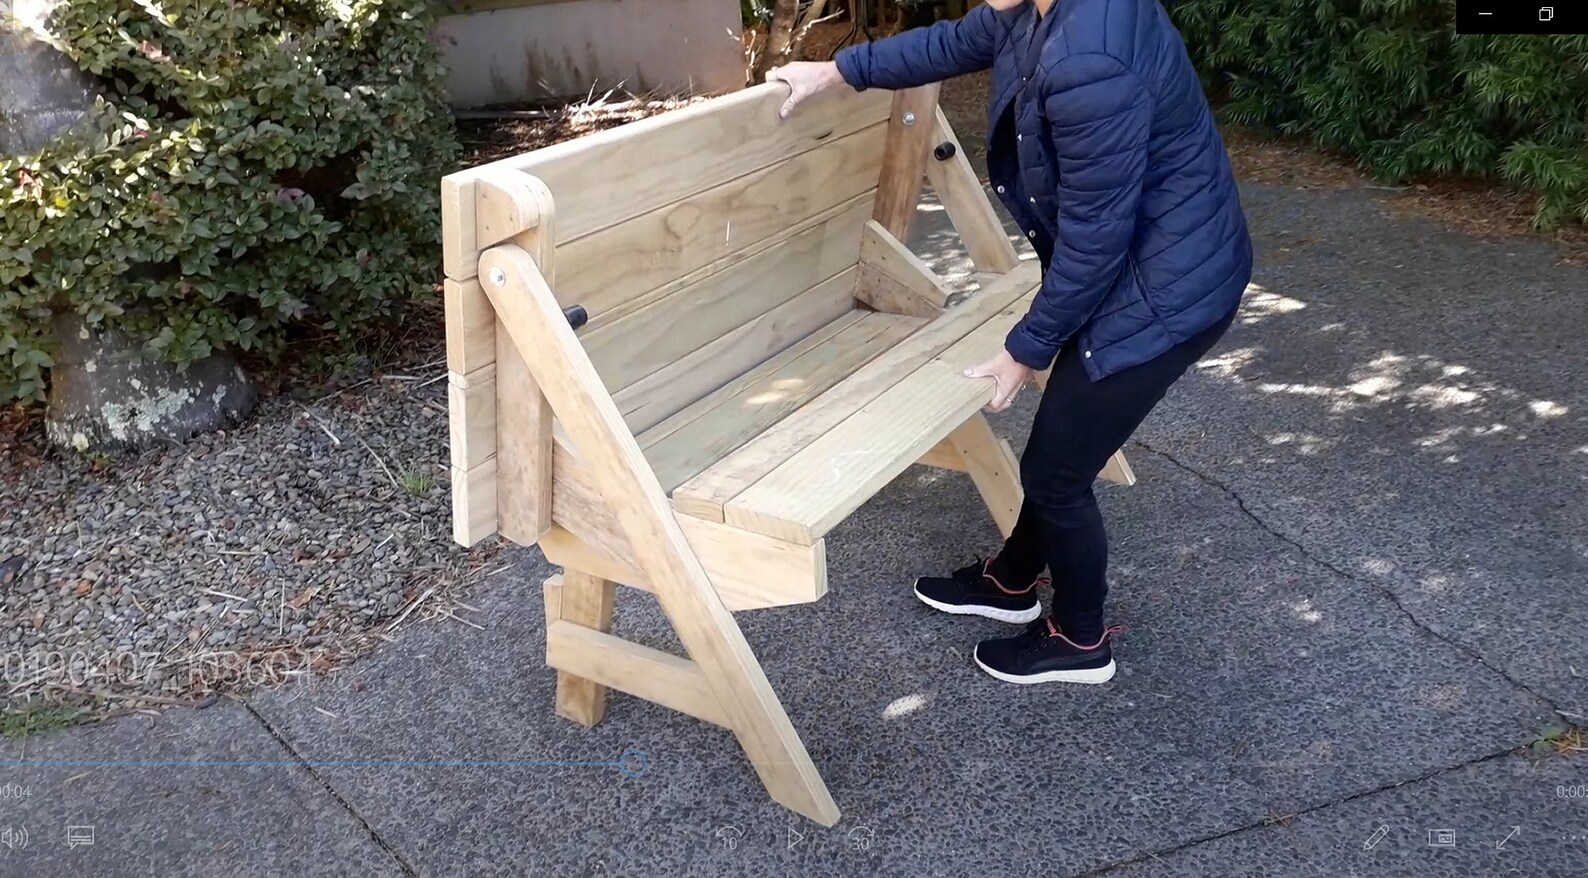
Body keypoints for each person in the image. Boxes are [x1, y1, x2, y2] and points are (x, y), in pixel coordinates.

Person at [767, 0, 1254, 685]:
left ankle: (1082, 642)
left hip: (1165, 293)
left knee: (1056, 474)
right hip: (1145, 267)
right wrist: (839, 70)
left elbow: (1095, 243)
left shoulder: (1092, 60)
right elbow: (953, 42)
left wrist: (1026, 347)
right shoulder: (1038, 8)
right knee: (1058, 453)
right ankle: (1011, 583)